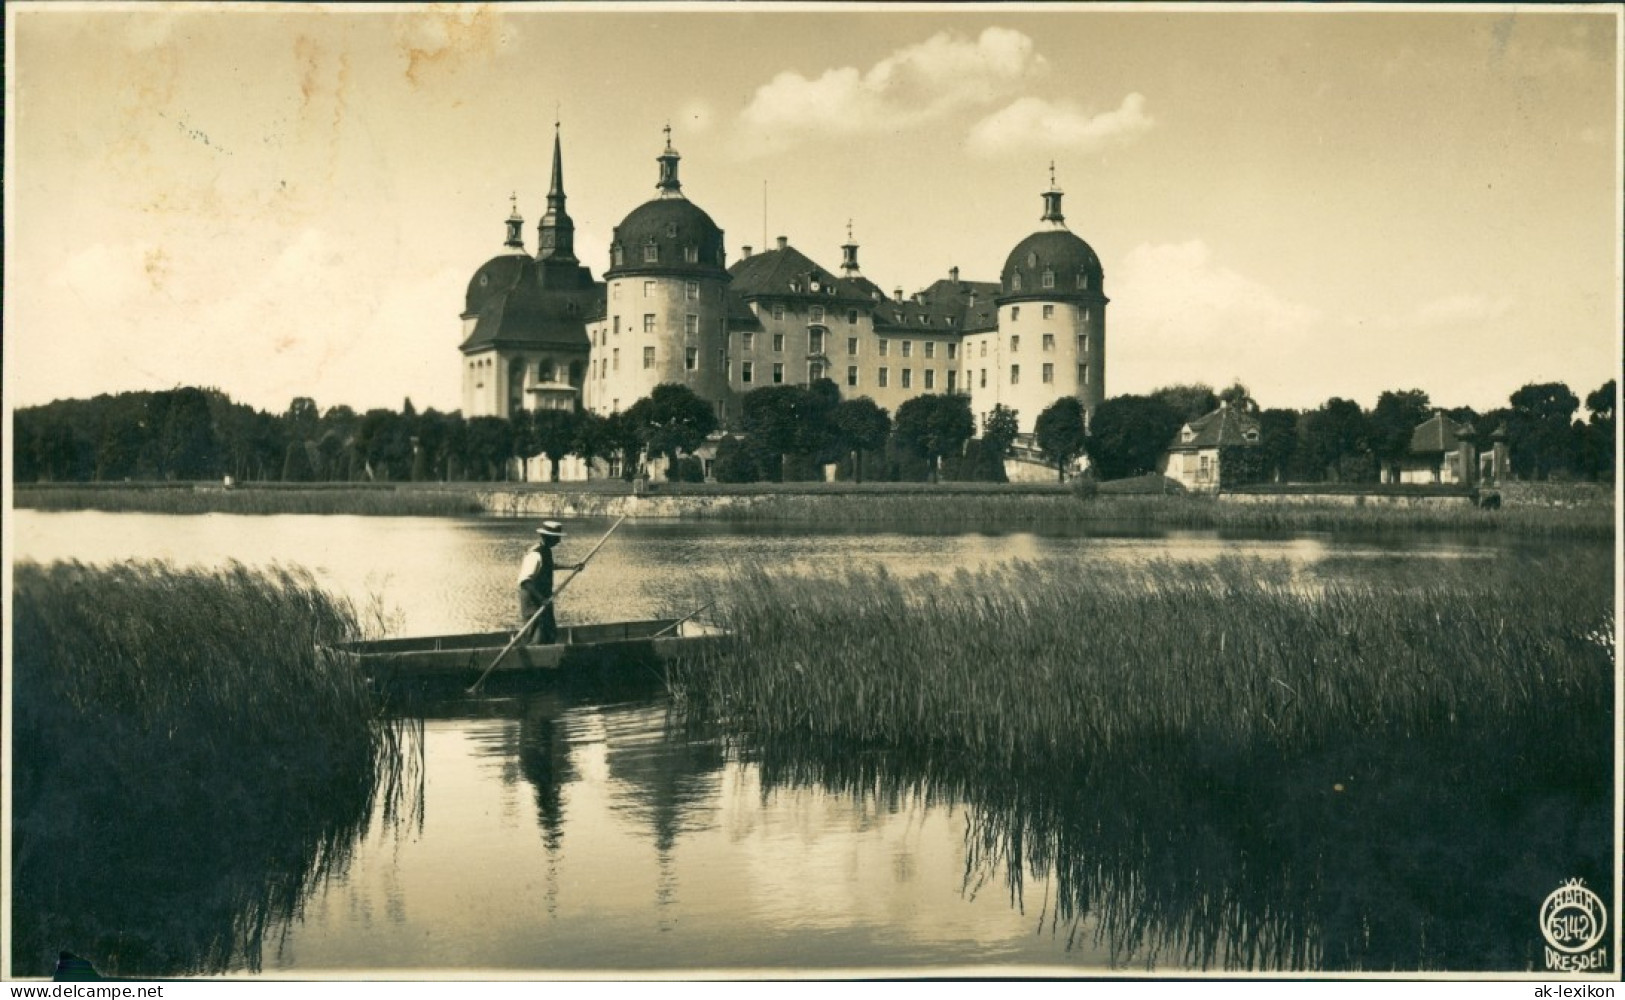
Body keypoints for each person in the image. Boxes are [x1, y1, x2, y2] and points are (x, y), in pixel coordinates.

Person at [516, 520, 583, 644]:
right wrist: (541, 599)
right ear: (548, 537)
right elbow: (525, 582)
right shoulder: (535, 554)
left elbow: (549, 565)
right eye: (557, 538)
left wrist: (572, 566)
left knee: (549, 630)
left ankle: (549, 655)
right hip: (532, 599)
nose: (559, 541)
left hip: (543, 598)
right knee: (538, 629)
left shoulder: (546, 551)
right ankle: (537, 655)